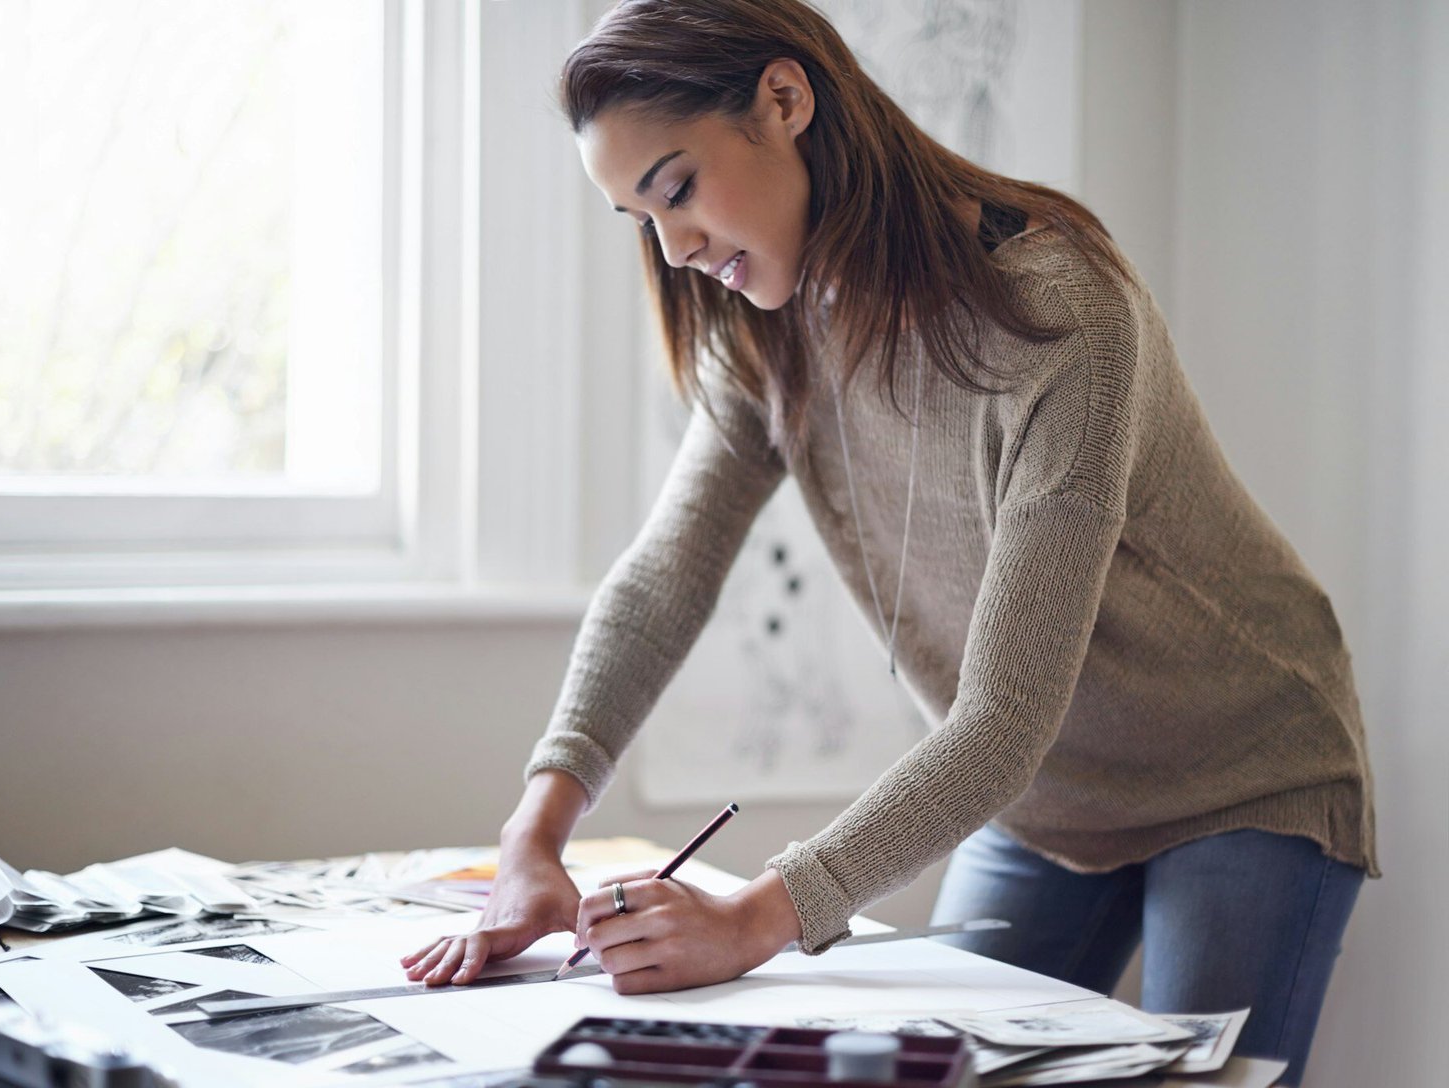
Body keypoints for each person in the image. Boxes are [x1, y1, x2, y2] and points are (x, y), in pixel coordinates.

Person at [400, 3, 1377, 1083]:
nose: (673, 250)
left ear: (784, 100)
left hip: (1237, 768)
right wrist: (534, 833)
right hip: (1041, 798)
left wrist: (749, 918)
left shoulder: (1058, 319)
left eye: (675, 188)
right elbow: (661, 581)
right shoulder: (764, 334)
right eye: (640, 217)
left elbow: (1000, 718)